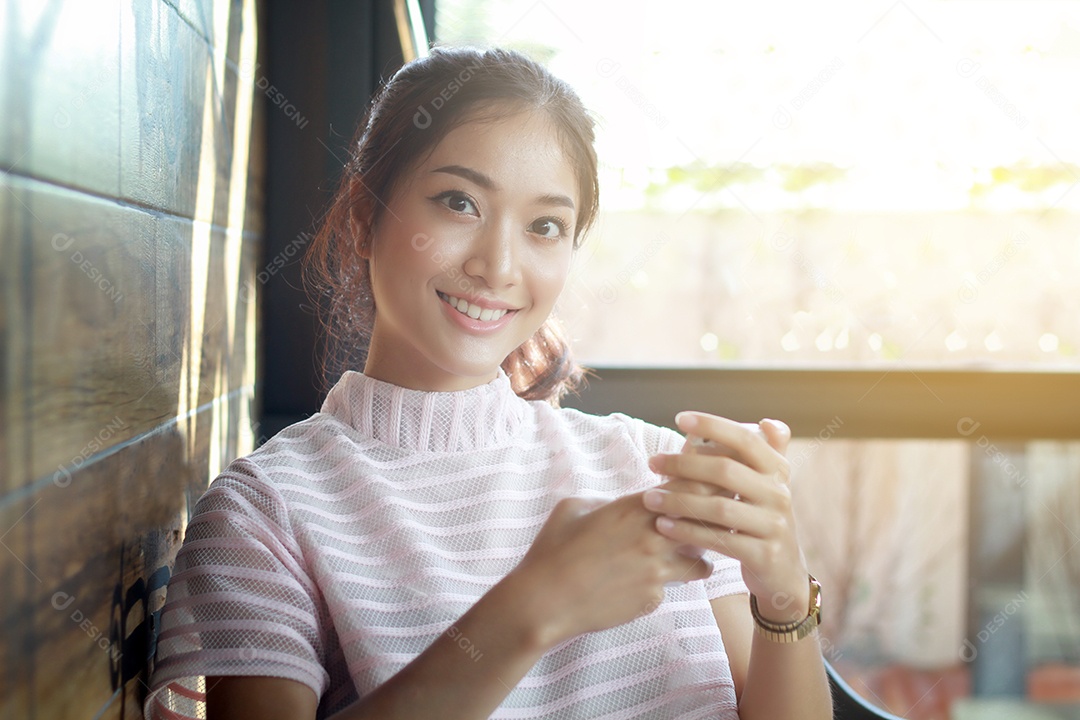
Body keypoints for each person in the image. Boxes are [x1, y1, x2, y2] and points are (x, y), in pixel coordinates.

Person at [144, 46, 833, 720]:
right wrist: (533, 608)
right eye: (459, 202)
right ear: (363, 217)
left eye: (544, 226)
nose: (499, 265)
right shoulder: (267, 512)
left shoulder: (647, 469)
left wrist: (783, 602)